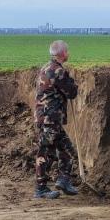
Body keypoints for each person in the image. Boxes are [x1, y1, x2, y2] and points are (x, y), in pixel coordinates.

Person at [33, 40, 80, 199]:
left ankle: (64, 180)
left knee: (67, 149)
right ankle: (41, 188)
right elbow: (72, 92)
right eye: (67, 51)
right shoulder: (58, 71)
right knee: (46, 152)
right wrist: (73, 83)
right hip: (50, 118)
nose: (68, 53)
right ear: (63, 53)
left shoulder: (46, 68)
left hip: (50, 119)